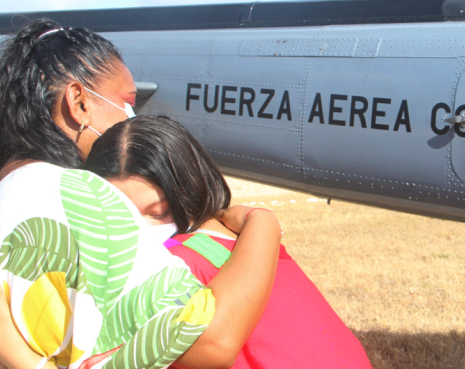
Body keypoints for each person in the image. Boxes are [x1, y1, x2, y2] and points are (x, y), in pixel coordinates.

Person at [0, 20, 281, 369]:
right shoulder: (75, 194)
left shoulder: (13, 186)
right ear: (79, 102)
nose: (132, 118)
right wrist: (263, 223)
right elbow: (211, 340)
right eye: (127, 102)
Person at [84, 115, 373, 369]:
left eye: (159, 213)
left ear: (186, 191)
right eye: (121, 214)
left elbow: (215, 345)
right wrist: (262, 219)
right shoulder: (243, 238)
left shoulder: (169, 265)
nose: (140, 227)